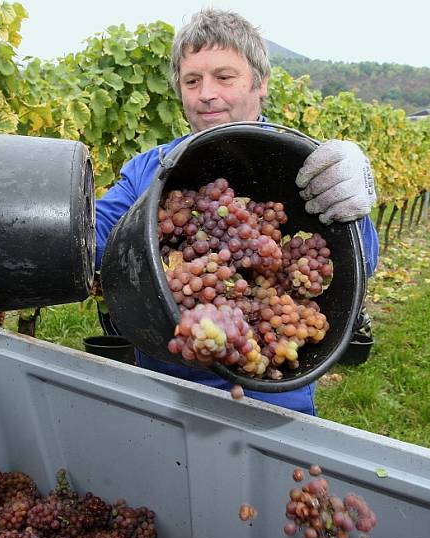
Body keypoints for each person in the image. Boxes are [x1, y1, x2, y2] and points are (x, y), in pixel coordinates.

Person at [94, 8, 380, 416]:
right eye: (192, 81)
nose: (206, 93)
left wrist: (356, 206)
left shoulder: (304, 165)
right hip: (167, 387)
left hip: (273, 401)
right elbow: (93, 238)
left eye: (224, 77)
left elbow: (358, 264)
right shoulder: (149, 168)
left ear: (260, 84)